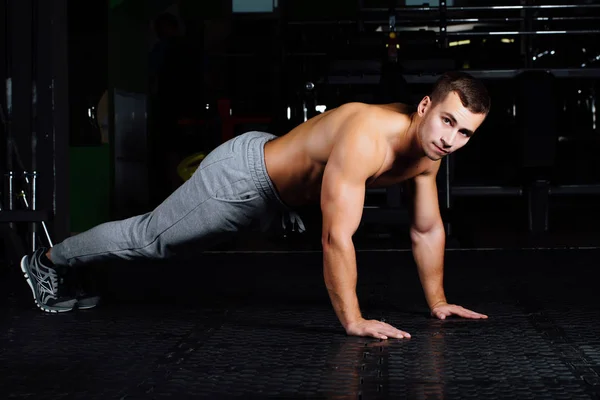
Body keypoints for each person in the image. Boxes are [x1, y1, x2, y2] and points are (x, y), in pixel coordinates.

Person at [20, 71, 490, 339]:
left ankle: (77, 268)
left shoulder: (429, 156)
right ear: (425, 106)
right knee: (151, 240)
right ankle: (47, 260)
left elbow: (426, 230)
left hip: (279, 191)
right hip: (245, 178)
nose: (451, 139)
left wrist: (438, 302)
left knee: (178, 247)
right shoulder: (369, 135)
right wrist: (353, 320)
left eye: (465, 132)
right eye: (447, 121)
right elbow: (335, 236)